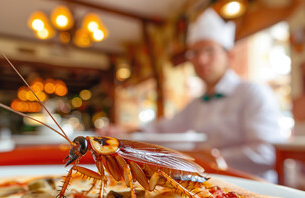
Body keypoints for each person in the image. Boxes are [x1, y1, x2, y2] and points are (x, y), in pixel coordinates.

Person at [100, 8, 283, 181]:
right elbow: (165, 128)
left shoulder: (252, 93)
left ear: (229, 55)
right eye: (194, 53)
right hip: (213, 182)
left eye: (210, 50)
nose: (201, 59)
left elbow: (266, 153)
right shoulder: (197, 104)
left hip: (255, 185)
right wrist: (128, 130)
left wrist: (213, 157)